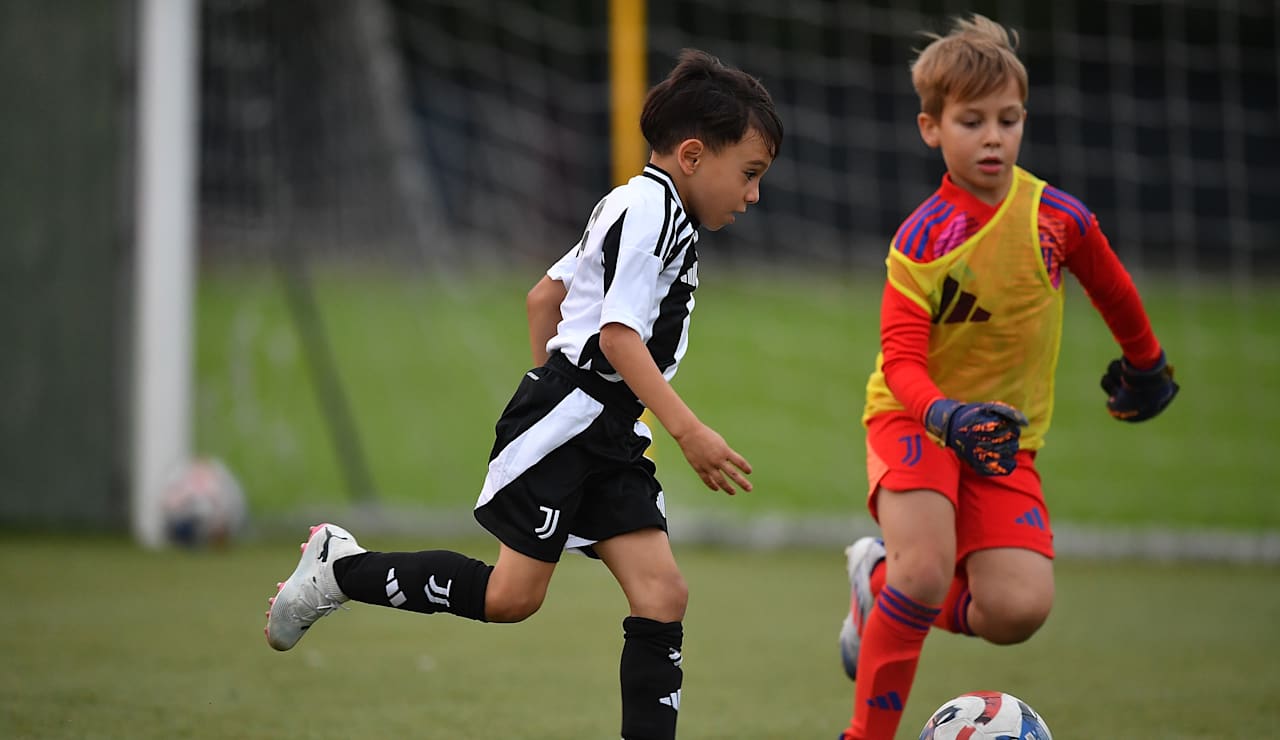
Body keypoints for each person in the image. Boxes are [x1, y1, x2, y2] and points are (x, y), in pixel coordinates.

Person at [264, 48, 783, 740]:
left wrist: (556, 392)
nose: (753, 194)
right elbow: (618, 338)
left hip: (600, 425)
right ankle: (341, 569)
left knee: (662, 592)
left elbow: (545, 297)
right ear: (692, 155)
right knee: (511, 598)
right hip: (578, 418)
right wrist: (675, 428)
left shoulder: (644, 206)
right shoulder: (650, 213)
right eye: (749, 173)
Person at [836, 15, 1178, 740]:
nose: (993, 137)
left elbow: (1113, 287)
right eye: (972, 122)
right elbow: (900, 362)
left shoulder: (1057, 218)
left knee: (1018, 610)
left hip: (1002, 438)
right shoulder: (922, 238)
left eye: (1009, 119)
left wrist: (1147, 363)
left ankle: (876, 583)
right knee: (925, 574)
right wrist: (945, 416)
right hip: (916, 418)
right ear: (931, 128)